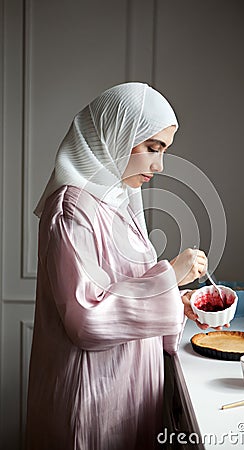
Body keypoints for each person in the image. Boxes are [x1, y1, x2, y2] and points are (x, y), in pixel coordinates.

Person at [25, 82, 211, 450]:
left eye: (164, 151)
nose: (158, 165)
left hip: (126, 386)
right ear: (115, 134)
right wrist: (168, 275)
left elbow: (123, 285)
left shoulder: (118, 200)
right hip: (91, 394)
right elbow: (86, 319)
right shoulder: (72, 208)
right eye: (152, 149)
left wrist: (176, 299)